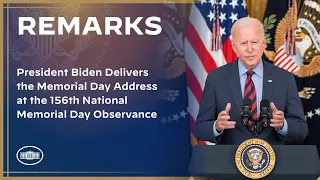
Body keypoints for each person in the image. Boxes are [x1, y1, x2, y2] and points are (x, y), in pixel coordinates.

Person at [194, 17, 308, 145]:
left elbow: (302, 129)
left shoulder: (284, 78)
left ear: (264, 43)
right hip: (229, 161)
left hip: (274, 161)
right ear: (234, 46)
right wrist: (216, 126)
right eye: (243, 43)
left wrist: (283, 125)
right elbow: (200, 129)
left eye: (254, 42)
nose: (249, 49)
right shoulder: (216, 78)